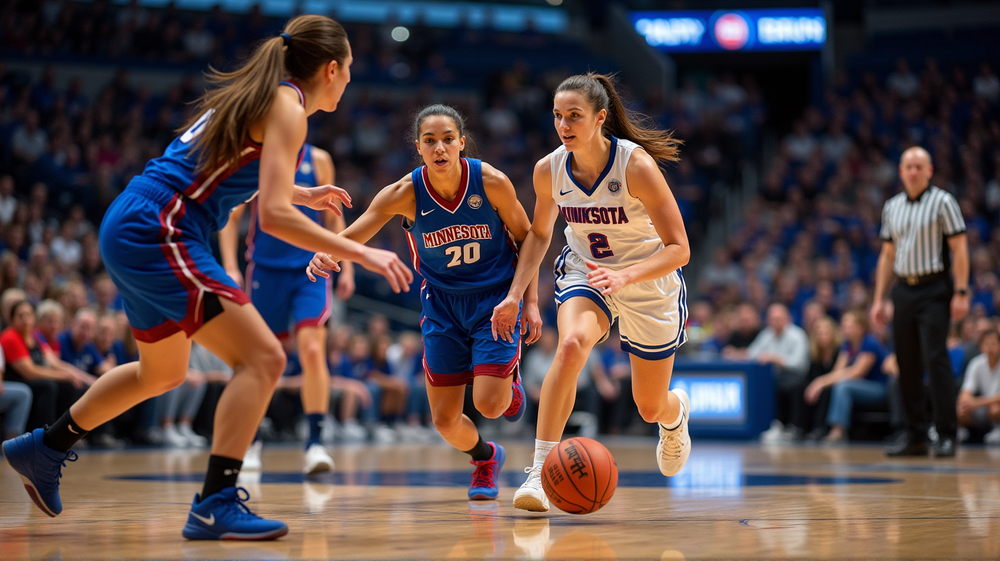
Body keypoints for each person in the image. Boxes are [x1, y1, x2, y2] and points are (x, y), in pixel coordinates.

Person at [2, 15, 411, 541]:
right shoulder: (288, 107)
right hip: (162, 228)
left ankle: (45, 447)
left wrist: (304, 195)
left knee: (161, 373)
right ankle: (217, 501)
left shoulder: (262, 96)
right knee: (264, 357)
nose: (351, 79)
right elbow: (276, 217)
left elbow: (232, 179)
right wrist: (361, 252)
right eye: (349, 69)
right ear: (330, 69)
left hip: (135, 218)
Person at [308, 104, 536, 501]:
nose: (440, 148)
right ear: (419, 148)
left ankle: (508, 386)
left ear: (462, 143)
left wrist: (526, 302)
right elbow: (354, 233)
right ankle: (486, 458)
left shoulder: (492, 182)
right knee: (445, 421)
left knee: (490, 404)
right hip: (442, 305)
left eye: (448, 139)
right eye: (430, 141)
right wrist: (327, 252)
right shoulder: (403, 193)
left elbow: (528, 239)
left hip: (494, 300)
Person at [489, 73, 691, 512]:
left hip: (647, 280)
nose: (564, 124)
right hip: (587, 270)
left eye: (574, 116)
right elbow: (540, 235)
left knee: (649, 407)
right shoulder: (550, 169)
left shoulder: (634, 165)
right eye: (558, 116)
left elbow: (680, 249)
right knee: (572, 343)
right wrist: (517, 293)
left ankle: (675, 417)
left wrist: (627, 276)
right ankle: (540, 472)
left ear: (600, 118)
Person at [220, 142, 354, 475]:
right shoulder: (257, 157)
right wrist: (229, 266)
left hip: (312, 268)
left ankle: (315, 444)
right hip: (265, 269)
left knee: (311, 350)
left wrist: (347, 265)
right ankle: (250, 442)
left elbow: (335, 218)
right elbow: (232, 214)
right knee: (260, 358)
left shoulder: (319, 159)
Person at [871, 146, 969, 457]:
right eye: (908, 166)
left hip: (935, 288)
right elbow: (887, 256)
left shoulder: (943, 201)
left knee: (935, 357)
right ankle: (913, 434)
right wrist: (878, 299)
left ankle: (946, 433)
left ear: (929, 170)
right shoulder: (892, 206)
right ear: (901, 172)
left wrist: (962, 291)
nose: (913, 171)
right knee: (907, 362)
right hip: (903, 289)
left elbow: (961, 249)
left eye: (919, 166)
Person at [729, 303, 810, 442]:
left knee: (789, 385)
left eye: (778, 318)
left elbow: (798, 364)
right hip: (775, 377)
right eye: (772, 318)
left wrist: (774, 358)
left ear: (787, 318)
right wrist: (736, 354)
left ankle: (793, 427)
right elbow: (752, 353)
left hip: (797, 376)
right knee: (764, 384)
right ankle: (774, 425)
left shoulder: (797, 335)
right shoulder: (767, 334)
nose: (775, 322)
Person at [804, 310, 888, 443]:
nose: (844, 328)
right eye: (843, 325)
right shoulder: (847, 346)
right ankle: (818, 427)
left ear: (860, 327)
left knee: (843, 386)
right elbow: (837, 372)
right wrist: (820, 383)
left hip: (880, 388)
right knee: (838, 384)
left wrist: (820, 381)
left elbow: (857, 373)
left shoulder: (869, 343)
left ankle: (838, 430)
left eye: (848, 325)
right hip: (861, 388)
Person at [957, 327, 1000, 445]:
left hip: (990, 406)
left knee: (995, 408)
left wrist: (978, 402)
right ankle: (963, 431)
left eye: (994, 344)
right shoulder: (976, 363)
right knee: (961, 408)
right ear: (981, 347)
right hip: (983, 408)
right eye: (987, 344)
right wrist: (966, 403)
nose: (990, 347)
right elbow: (965, 391)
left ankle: (998, 430)